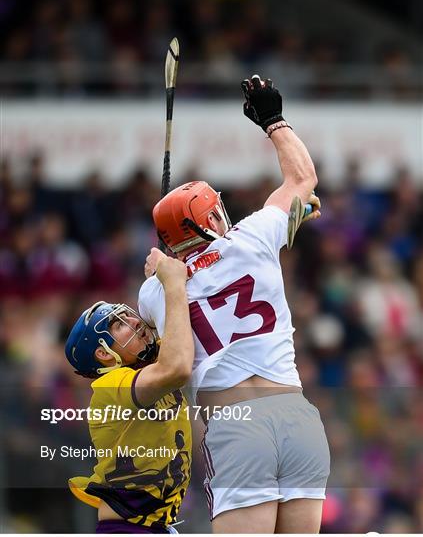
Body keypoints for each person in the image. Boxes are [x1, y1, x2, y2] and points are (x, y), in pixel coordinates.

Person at [138, 75, 330, 534]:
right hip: (297, 417)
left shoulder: (153, 292)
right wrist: (273, 120)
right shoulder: (256, 235)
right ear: (213, 217)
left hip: (236, 424)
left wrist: (159, 271)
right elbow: (303, 178)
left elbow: (170, 302)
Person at [64, 254, 194, 534]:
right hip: (126, 528)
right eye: (119, 325)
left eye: (127, 316)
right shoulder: (110, 386)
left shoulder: (148, 364)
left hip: (154, 526)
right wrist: (171, 284)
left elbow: (181, 324)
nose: (135, 322)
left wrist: (164, 268)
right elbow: (178, 367)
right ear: (103, 354)